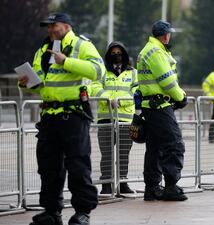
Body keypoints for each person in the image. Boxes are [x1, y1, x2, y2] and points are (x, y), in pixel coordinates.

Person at [18, 13, 105, 225]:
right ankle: (51, 212)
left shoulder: (81, 45)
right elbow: (40, 84)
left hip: (73, 114)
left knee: (78, 165)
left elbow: (98, 71)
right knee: (48, 167)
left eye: (53, 25)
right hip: (49, 116)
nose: (49, 30)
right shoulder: (42, 50)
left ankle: (82, 213)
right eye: (47, 27)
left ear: (66, 25)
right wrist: (25, 83)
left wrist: (67, 62)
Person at [136, 20, 188, 201]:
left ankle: (151, 188)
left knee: (155, 148)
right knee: (174, 144)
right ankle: (171, 186)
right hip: (160, 107)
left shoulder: (147, 50)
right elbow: (167, 80)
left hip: (150, 106)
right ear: (166, 35)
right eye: (169, 34)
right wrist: (181, 97)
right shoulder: (156, 52)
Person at [91, 41, 138, 194]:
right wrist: (108, 99)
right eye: (113, 53)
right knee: (106, 154)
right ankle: (106, 183)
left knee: (124, 152)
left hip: (125, 120)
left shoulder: (133, 73)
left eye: (119, 53)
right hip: (106, 118)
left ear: (124, 55)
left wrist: (120, 101)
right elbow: (95, 88)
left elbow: (137, 92)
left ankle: (123, 182)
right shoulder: (102, 72)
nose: (116, 56)